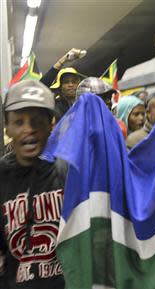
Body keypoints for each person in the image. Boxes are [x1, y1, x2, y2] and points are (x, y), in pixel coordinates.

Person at [0, 80, 66, 289]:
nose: (29, 130)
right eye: (19, 122)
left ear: (51, 126)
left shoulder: (69, 175)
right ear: (7, 128)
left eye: (37, 122)